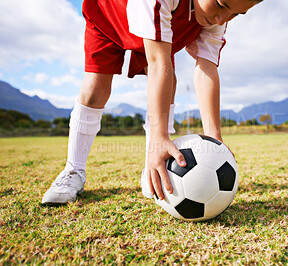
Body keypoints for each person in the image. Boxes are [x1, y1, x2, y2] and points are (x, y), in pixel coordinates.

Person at [41, 0, 261, 204]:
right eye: (221, 5)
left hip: (159, 25)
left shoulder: (218, 15)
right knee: (95, 89)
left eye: (236, 14)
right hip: (109, 16)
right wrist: (160, 139)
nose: (222, 19)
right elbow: (157, 62)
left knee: (170, 81)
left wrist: (216, 140)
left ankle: (152, 169)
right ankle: (73, 170)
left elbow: (207, 69)